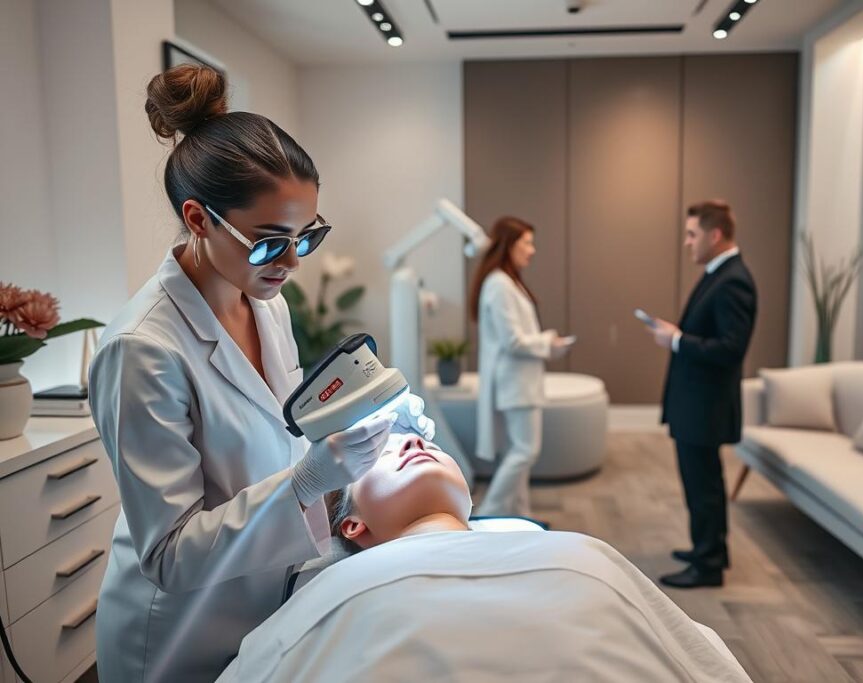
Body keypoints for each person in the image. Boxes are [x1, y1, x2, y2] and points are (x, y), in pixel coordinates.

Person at [87, 64, 432, 681]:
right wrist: (304, 483)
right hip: (178, 636)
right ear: (198, 219)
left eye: (308, 236)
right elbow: (167, 555)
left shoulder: (267, 304)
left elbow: (284, 430)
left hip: (263, 604)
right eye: (272, 242)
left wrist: (373, 432)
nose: (294, 262)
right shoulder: (142, 350)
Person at [215, 432, 753, 682]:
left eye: (420, 443)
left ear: (469, 496)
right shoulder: (335, 590)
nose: (408, 445)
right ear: (353, 526)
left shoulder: (582, 554)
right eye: (378, 456)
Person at [646, 200, 757, 589]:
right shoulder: (719, 273)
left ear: (715, 235)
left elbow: (730, 349)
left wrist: (677, 340)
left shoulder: (734, 280)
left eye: (692, 234)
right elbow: (711, 334)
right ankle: (705, 549)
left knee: (705, 486)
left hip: (705, 407)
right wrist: (679, 334)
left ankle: (708, 565)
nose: (686, 242)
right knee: (699, 484)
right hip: (695, 404)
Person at [469, 217, 573, 516]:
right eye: (526, 242)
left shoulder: (507, 282)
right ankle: (488, 513)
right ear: (508, 245)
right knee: (525, 451)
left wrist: (545, 343)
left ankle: (521, 516)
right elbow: (512, 341)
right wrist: (547, 343)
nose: (532, 249)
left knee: (517, 450)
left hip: (519, 382)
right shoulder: (499, 285)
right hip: (515, 383)